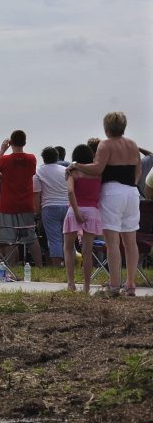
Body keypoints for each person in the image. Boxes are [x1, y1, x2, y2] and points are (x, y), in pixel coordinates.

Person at [68, 112, 142, 296]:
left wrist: (77, 165)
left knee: (112, 242)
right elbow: (138, 169)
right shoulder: (132, 144)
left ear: (106, 127)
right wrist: (130, 184)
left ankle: (114, 284)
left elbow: (98, 168)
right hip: (132, 192)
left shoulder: (106, 144)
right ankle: (130, 284)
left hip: (112, 192)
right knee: (130, 242)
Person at [0, 130, 43, 268]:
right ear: (25, 143)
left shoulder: (4, 159)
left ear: (11, 143)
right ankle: (39, 266)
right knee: (31, 237)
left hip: (8, 204)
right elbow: (31, 173)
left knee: (10, 238)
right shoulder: (31, 158)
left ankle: (11, 266)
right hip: (26, 203)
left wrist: (2, 150)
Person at [63, 143, 101, 293]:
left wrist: (77, 213)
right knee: (87, 251)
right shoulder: (98, 174)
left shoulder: (72, 173)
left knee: (68, 248)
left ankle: (71, 283)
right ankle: (86, 287)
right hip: (92, 212)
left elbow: (70, 192)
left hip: (74, 210)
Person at [33, 146, 68, 267]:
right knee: (68, 239)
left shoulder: (38, 172)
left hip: (49, 207)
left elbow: (36, 194)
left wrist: (37, 212)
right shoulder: (65, 170)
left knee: (54, 240)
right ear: (57, 157)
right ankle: (70, 266)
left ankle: (57, 267)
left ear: (43, 158)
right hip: (67, 207)